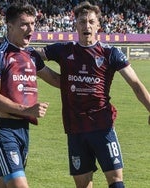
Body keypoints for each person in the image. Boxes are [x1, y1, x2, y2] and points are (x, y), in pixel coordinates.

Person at [37, 1, 150, 188]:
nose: (86, 26)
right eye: (82, 21)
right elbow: (33, 55)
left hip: (102, 127)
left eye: (91, 21)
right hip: (75, 129)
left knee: (115, 181)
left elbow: (136, 84)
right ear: (76, 25)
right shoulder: (64, 50)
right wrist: (11, 47)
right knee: (83, 185)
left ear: (98, 26)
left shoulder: (110, 53)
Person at [0, 3, 60, 188]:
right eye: (24, 24)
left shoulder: (31, 55)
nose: (31, 28)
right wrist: (27, 109)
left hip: (23, 129)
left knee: (2, 184)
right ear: (10, 26)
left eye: (33, 23)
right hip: (2, 128)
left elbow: (56, 80)